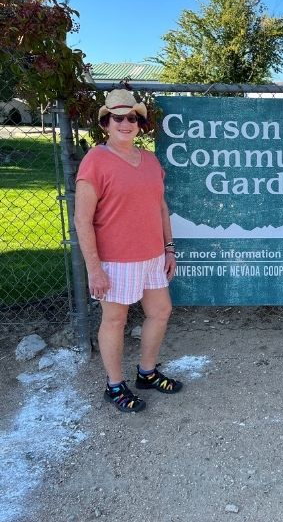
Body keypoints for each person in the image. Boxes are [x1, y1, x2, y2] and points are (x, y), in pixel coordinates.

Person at [75, 89, 182, 413]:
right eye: (118, 118)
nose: (125, 123)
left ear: (139, 123)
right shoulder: (95, 161)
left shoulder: (149, 160)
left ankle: (146, 373)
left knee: (160, 311)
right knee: (115, 320)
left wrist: (169, 248)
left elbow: (160, 206)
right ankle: (114, 385)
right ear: (106, 122)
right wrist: (94, 268)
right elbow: (82, 219)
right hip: (116, 259)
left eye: (132, 118)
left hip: (152, 256)